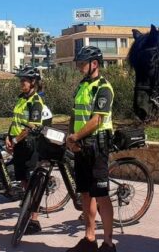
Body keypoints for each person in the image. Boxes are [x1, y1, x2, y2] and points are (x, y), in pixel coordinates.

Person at [65, 46, 116, 252]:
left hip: (97, 147)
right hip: (81, 147)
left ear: (94, 64)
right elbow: (75, 115)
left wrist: (76, 136)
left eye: (82, 64)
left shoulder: (103, 88)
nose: (79, 67)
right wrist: (71, 138)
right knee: (86, 193)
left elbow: (96, 120)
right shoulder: (82, 86)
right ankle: (89, 238)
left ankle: (109, 244)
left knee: (101, 195)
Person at [5, 66, 50, 235]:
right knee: (23, 181)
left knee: (33, 184)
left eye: (24, 80)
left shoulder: (36, 102)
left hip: (30, 146)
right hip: (18, 145)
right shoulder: (21, 99)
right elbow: (16, 121)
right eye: (20, 80)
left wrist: (16, 140)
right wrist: (8, 137)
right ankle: (26, 210)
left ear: (33, 82)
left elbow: (32, 127)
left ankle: (35, 220)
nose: (21, 83)